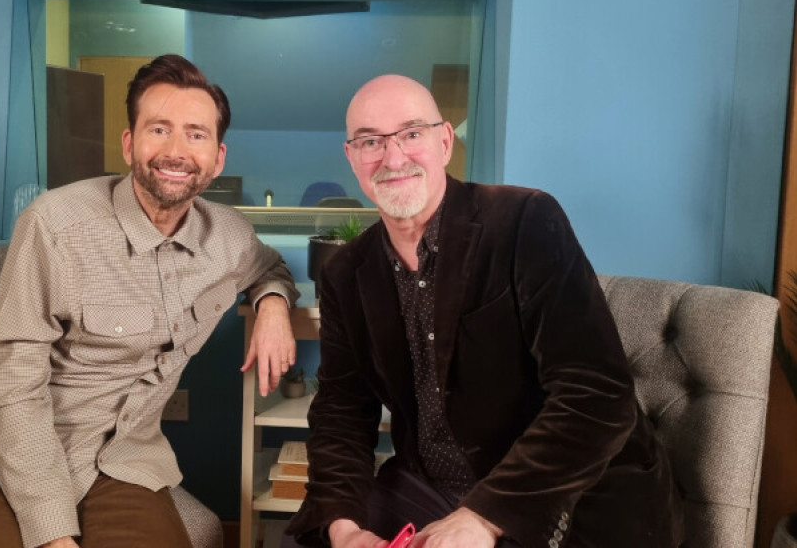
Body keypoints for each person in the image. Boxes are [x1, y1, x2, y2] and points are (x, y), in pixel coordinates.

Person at [283, 75, 683, 548]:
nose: (393, 157)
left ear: (445, 141)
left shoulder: (525, 220)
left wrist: (484, 516)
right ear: (352, 158)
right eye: (371, 141)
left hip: (564, 493)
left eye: (412, 133)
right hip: (432, 486)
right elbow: (342, 413)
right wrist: (345, 529)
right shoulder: (346, 273)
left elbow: (597, 395)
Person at [0, 54, 299, 548]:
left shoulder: (229, 237)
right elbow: (13, 385)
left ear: (218, 158)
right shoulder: (55, 225)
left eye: (196, 134)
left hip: (127, 461)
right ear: (129, 143)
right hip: (12, 454)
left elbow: (270, 268)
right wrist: (54, 536)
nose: (177, 150)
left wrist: (272, 305)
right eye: (159, 129)